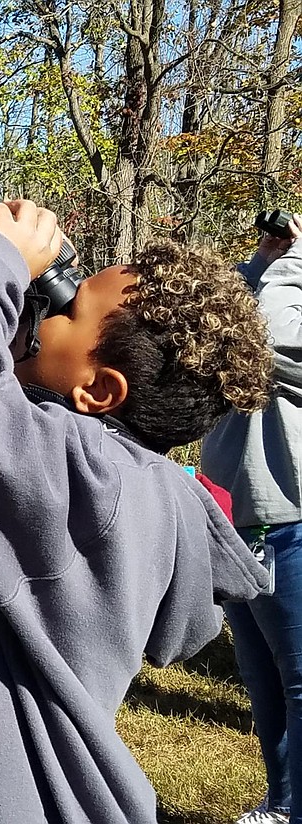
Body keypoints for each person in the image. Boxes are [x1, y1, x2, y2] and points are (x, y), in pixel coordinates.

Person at [0, 199, 273, 823]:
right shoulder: (122, 488)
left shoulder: (89, 483)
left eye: (68, 308)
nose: (44, 306)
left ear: (99, 391)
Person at [203, 213, 302, 824]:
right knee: (262, 678)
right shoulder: (275, 288)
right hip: (237, 513)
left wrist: (286, 266)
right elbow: (218, 329)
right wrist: (264, 262)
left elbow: (267, 336)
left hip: (289, 516)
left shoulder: (287, 303)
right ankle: (284, 800)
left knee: (298, 682)